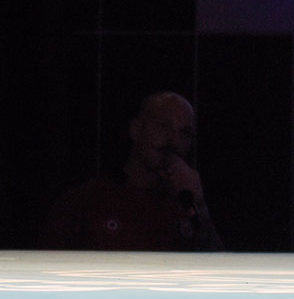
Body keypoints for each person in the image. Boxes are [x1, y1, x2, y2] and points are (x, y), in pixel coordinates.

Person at [40, 92, 225, 251]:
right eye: (163, 125)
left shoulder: (188, 208)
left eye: (185, 133)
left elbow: (218, 270)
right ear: (136, 129)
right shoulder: (88, 199)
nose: (174, 139)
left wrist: (199, 205)